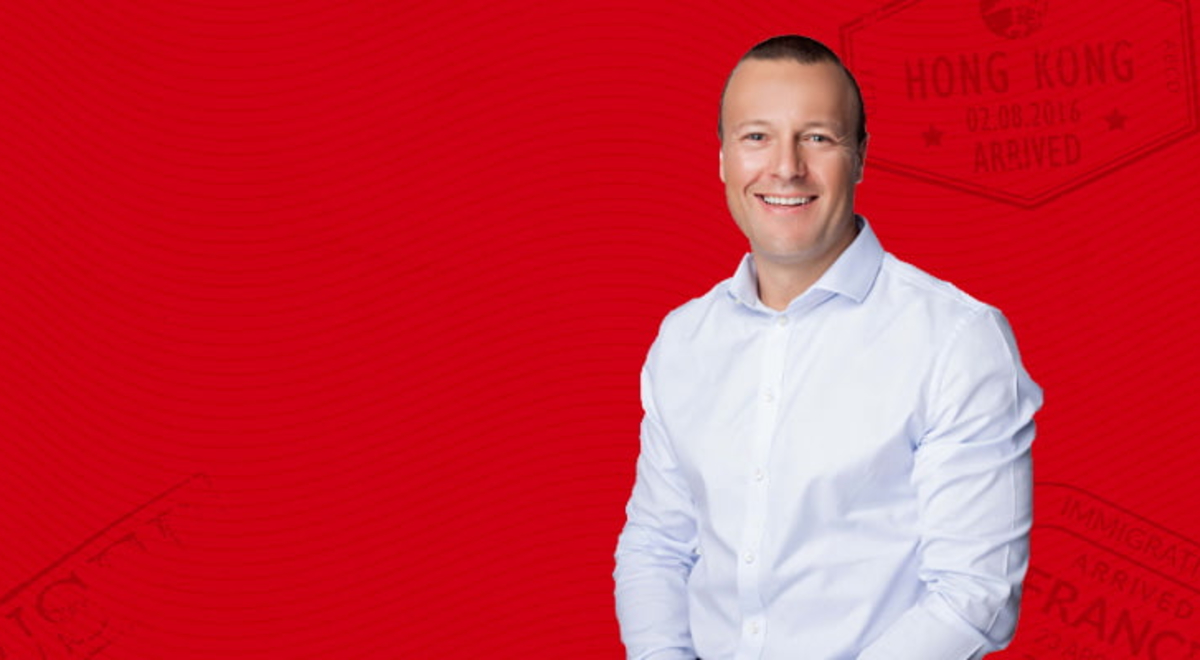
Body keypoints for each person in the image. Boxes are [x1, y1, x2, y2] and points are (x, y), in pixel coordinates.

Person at [613, 35, 1043, 660]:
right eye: (756, 137)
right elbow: (656, 546)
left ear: (861, 157)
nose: (786, 167)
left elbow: (975, 596)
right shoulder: (683, 339)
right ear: (724, 159)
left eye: (817, 137)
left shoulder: (956, 341)